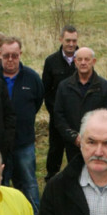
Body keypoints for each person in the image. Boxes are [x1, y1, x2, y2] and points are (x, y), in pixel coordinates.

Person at [0, 36, 44, 213]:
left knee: (28, 183)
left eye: (14, 55)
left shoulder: (32, 78)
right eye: (6, 56)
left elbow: (37, 102)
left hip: (24, 142)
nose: (10, 59)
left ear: (20, 54)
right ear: (0, 55)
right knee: (0, 184)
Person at [54, 47, 107, 165]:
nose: (83, 62)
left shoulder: (105, 87)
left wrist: (93, 139)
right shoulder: (64, 86)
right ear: (75, 62)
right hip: (73, 145)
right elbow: (58, 115)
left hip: (97, 145)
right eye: (79, 59)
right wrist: (73, 137)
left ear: (93, 62)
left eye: (87, 59)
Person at [42, 25, 78, 181]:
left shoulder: (83, 59)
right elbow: (46, 90)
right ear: (61, 39)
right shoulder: (51, 61)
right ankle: (52, 178)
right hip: (57, 117)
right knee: (55, 149)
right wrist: (55, 113)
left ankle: (76, 178)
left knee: (76, 151)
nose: (71, 44)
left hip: (77, 117)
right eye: (68, 40)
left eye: (74, 41)